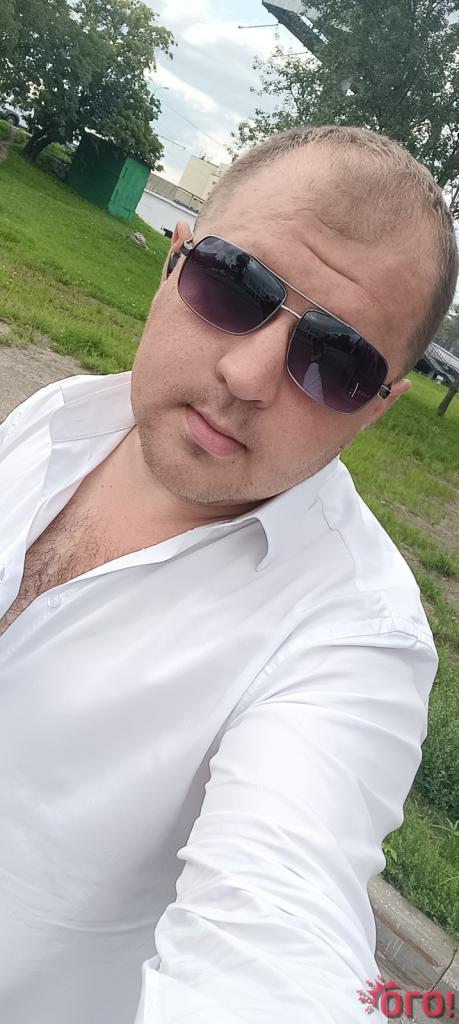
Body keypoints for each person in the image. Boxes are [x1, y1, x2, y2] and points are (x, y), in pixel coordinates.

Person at [0, 125, 457, 1024]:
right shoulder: (60, 414)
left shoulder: (352, 642)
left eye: (335, 361)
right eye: (234, 283)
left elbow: (277, 929)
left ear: (375, 408)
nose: (248, 375)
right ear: (174, 258)